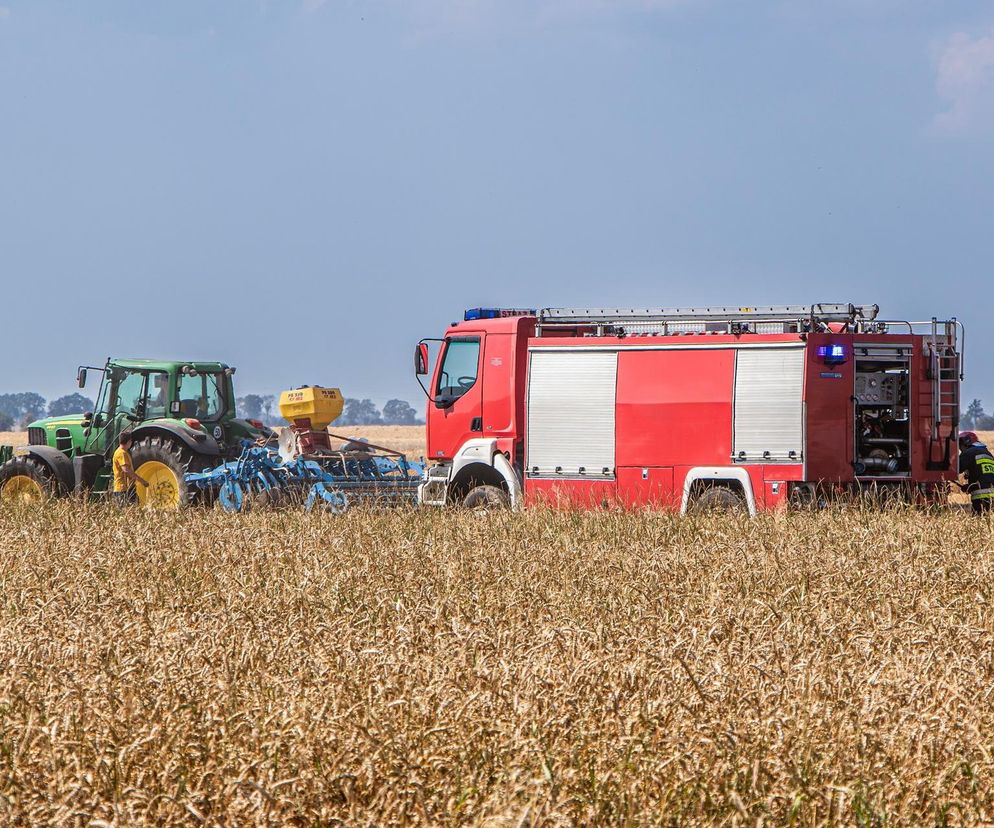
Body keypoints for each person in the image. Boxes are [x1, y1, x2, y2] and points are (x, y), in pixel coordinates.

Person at [958, 431, 994, 514]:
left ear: (966, 443)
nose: (961, 450)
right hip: (992, 495)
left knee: (979, 518)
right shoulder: (988, 453)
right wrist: (970, 486)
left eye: (960, 446)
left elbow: (956, 469)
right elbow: (984, 474)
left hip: (981, 496)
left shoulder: (968, 453)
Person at [112, 431, 149, 505]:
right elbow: (126, 470)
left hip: (128, 487)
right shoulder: (121, 453)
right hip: (122, 488)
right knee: (125, 509)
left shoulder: (123, 452)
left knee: (135, 506)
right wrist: (142, 481)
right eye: (131, 441)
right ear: (129, 442)